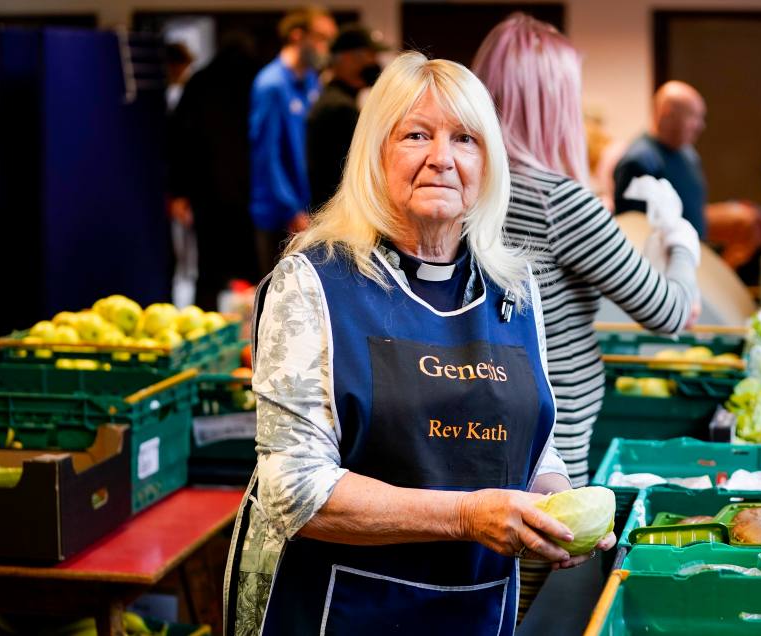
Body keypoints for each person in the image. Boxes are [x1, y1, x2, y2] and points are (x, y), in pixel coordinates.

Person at [224, 51, 615, 636]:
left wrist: (553, 507)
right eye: (416, 134)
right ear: (376, 154)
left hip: (474, 608)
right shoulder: (315, 282)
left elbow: (531, 444)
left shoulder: (514, 286)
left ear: (488, 161)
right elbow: (295, 490)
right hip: (334, 607)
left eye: (465, 138)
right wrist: (465, 516)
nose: (442, 158)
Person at [473, 15, 698, 620]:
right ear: (553, 105)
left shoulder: (472, 189)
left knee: (480, 601)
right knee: (510, 605)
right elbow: (671, 312)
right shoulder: (555, 199)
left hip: (477, 437)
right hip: (550, 451)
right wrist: (681, 240)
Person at [613, 81, 761, 270]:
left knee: (749, 220)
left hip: (695, 246)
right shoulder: (640, 161)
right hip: (670, 263)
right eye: (694, 117)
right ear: (667, 114)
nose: (700, 126)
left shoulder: (685, 151)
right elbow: (635, 233)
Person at [169, 32, 261, 310]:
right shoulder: (258, 82)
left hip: (208, 193)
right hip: (250, 193)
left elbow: (179, 139)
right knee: (256, 271)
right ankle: (255, 336)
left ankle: (206, 331)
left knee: (209, 271)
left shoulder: (200, 82)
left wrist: (180, 191)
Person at [249, 7, 337, 277]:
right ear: (298, 36)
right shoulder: (271, 84)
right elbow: (267, 155)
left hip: (307, 210)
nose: (325, 48)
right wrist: (290, 209)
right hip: (279, 214)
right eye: (320, 38)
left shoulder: (311, 81)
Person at [306, 23, 388, 212]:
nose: (375, 62)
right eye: (371, 55)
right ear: (348, 59)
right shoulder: (339, 108)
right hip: (339, 212)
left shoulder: (337, 99)